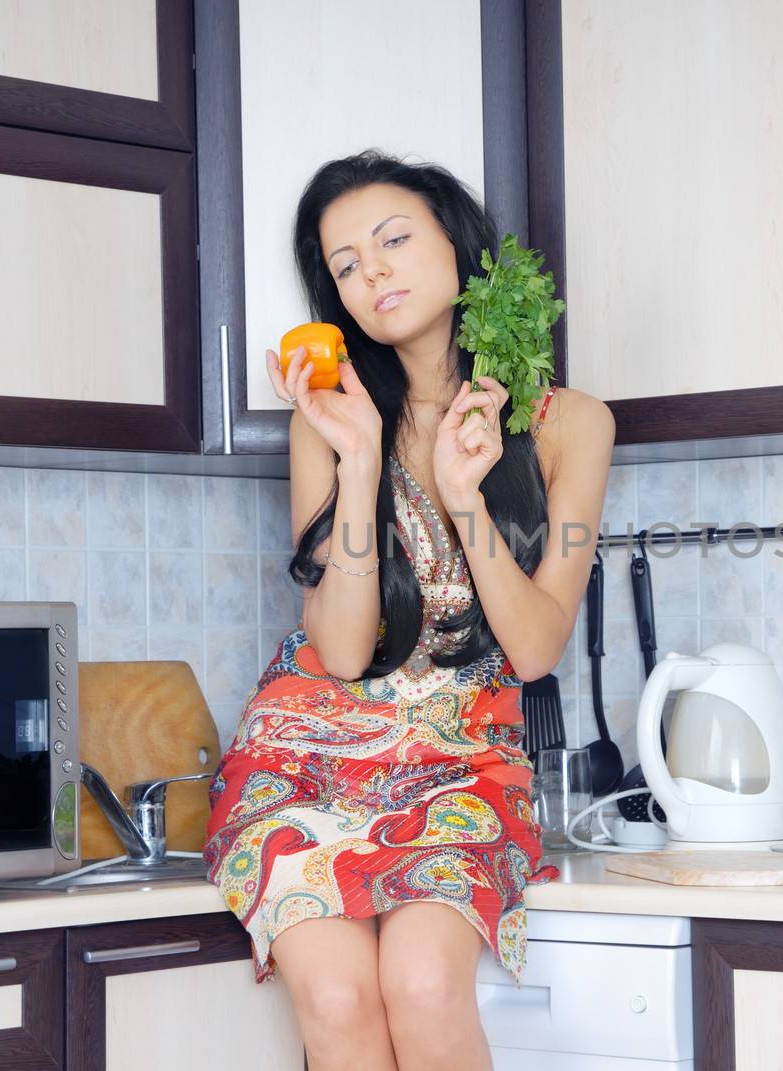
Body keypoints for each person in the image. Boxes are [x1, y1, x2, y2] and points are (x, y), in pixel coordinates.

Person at [203, 150, 615, 1071]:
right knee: (340, 996)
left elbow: (539, 647)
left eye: (392, 240)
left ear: (459, 247)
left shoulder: (569, 423)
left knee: (424, 987)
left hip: (462, 765)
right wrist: (358, 460)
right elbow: (343, 651)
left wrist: (465, 497)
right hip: (304, 762)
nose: (372, 272)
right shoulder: (332, 414)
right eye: (344, 264)